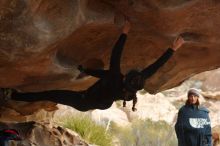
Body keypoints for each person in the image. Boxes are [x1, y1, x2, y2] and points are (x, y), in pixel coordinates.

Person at [1, 20, 184, 112]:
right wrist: (172, 49)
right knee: (50, 94)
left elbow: (115, 55)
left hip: (83, 100)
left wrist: (125, 32)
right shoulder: (130, 88)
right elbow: (154, 68)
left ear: (127, 77)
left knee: (49, 94)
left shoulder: (114, 78)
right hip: (92, 102)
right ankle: (14, 96)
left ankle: (13, 95)